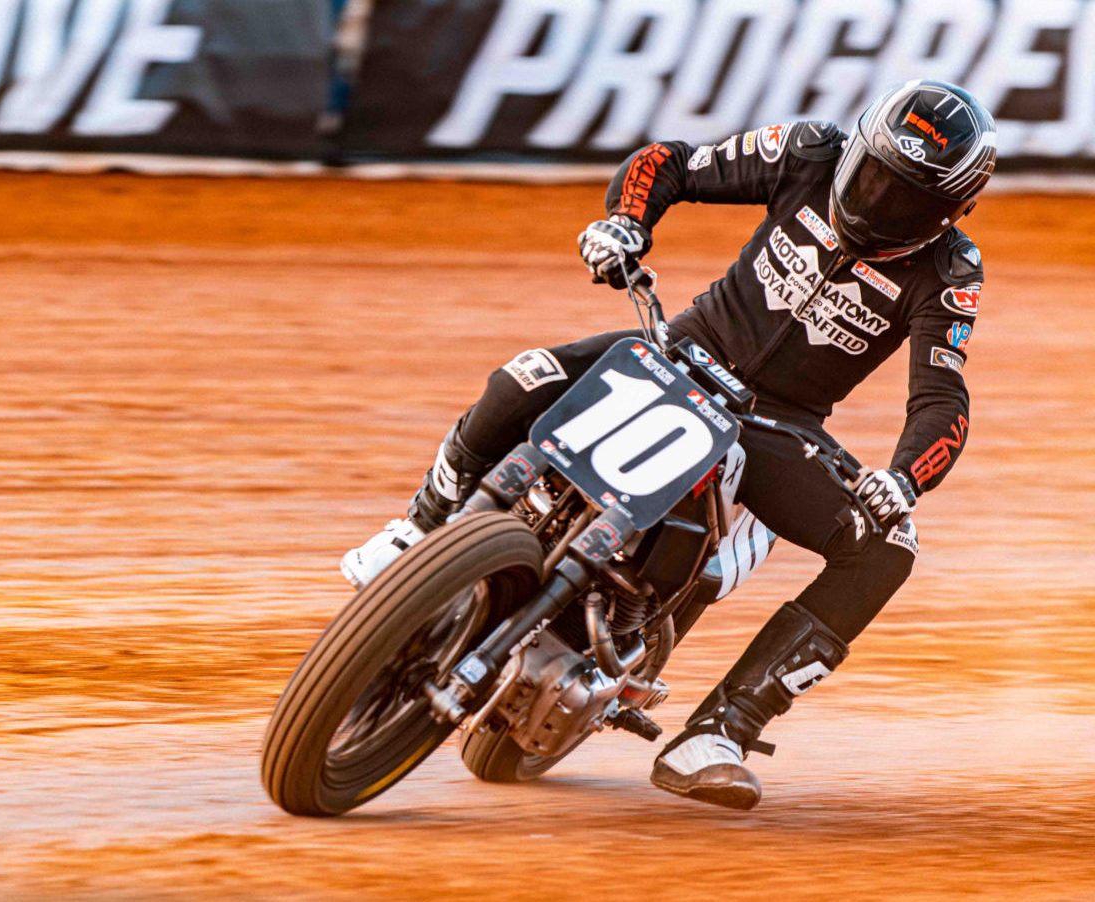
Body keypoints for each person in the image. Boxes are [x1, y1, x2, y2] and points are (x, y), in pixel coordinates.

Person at [340, 79, 995, 810]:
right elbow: (669, 162)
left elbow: (943, 399)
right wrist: (624, 223)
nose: (876, 200)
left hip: (774, 424)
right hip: (674, 348)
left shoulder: (949, 272)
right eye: (871, 174)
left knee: (891, 543)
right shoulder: (809, 152)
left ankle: (722, 730)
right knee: (522, 378)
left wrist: (904, 477)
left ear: (949, 209)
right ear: (856, 149)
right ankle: (421, 529)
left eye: (902, 195)